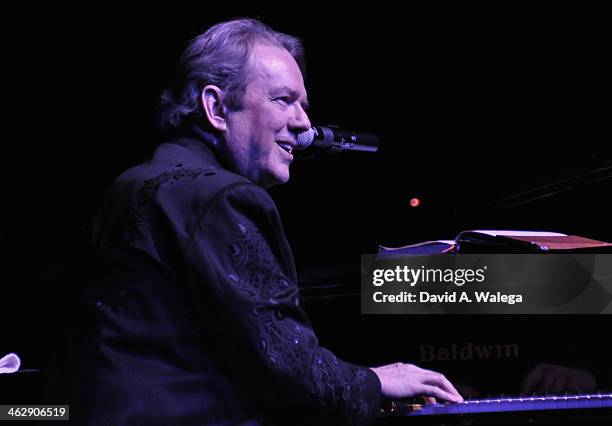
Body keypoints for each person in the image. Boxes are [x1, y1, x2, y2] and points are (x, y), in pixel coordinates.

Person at [51, 18, 463, 425]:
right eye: (283, 100)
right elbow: (287, 367)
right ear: (216, 107)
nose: (304, 123)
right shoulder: (224, 197)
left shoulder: (131, 183)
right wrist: (374, 382)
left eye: (304, 105)